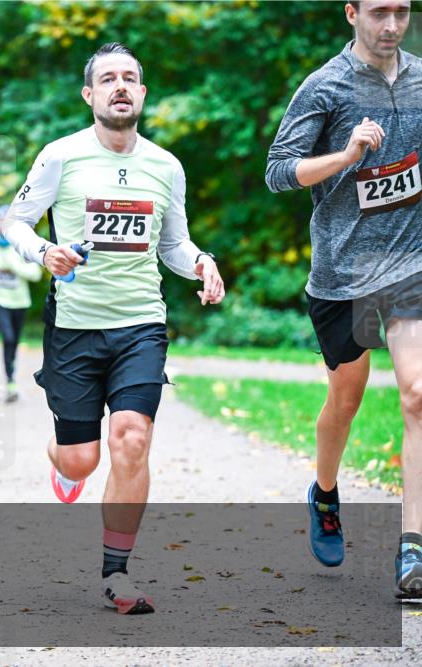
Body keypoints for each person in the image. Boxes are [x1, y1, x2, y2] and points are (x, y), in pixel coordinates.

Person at [1, 42, 225, 614]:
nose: (119, 86)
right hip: (75, 328)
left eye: (130, 78)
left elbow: (172, 243)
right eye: (108, 79)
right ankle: (64, 461)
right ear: (90, 94)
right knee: (82, 459)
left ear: (142, 94)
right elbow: (15, 220)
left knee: (132, 436)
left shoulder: (164, 165)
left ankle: (116, 573)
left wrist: (201, 262)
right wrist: (44, 251)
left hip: (140, 324)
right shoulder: (61, 156)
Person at [265, 0, 421, 597]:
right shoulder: (325, 87)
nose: (391, 25)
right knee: (346, 400)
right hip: (344, 275)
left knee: (418, 392)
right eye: (379, 12)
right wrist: (347, 156)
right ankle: (325, 492)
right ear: (351, 13)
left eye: (402, 12)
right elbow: (279, 172)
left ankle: (412, 553)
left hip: (411, 265)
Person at [0, 205, 42, 402]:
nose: (2, 223)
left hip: (20, 302)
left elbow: (35, 274)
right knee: (7, 338)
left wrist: (12, 265)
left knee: (13, 341)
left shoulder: (22, 245)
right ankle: (10, 379)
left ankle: (11, 379)